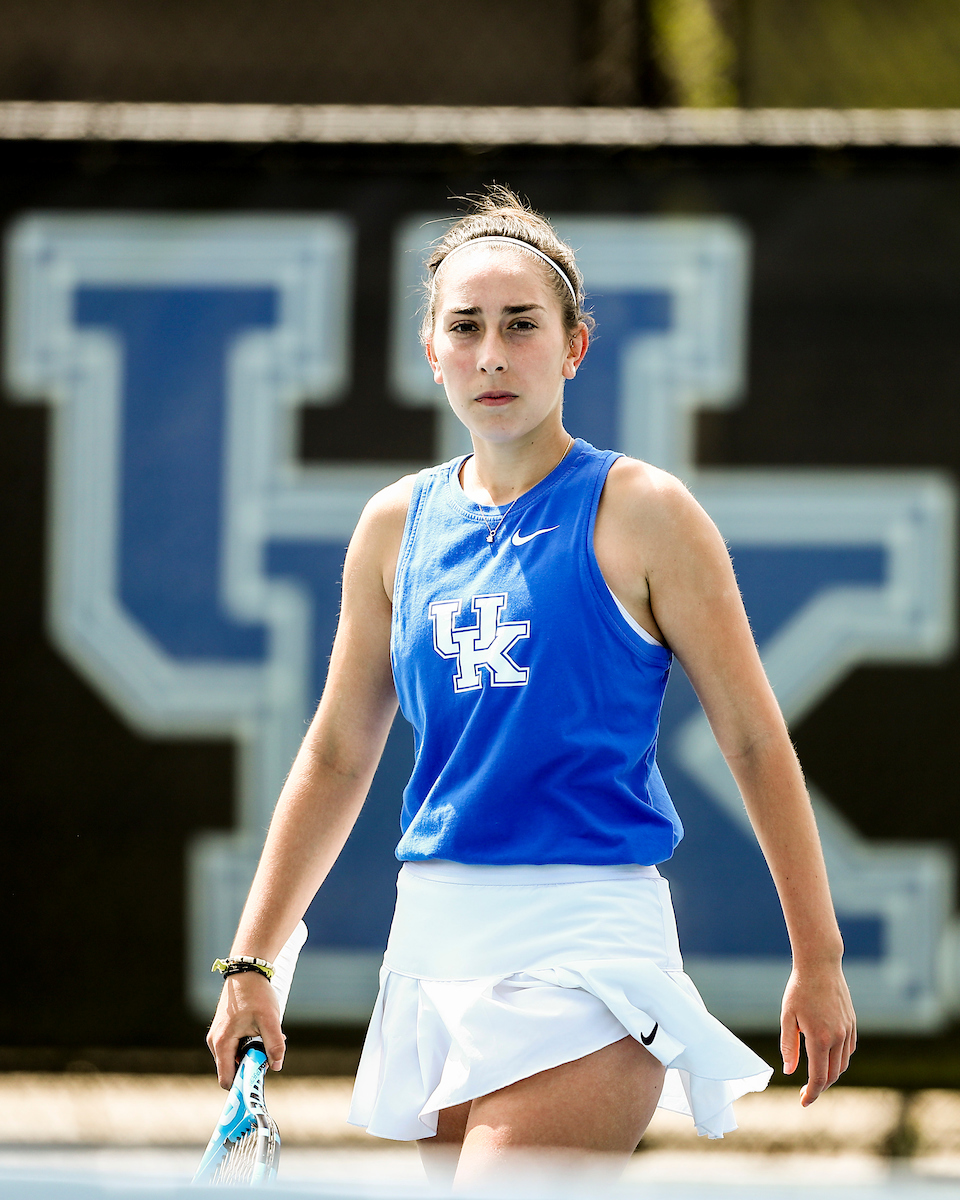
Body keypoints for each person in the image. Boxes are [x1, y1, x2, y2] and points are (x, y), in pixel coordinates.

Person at [207, 186, 856, 1190]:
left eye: (522, 326)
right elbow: (338, 752)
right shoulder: (393, 527)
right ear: (432, 350)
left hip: (588, 940)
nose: (493, 355)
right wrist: (252, 962)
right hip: (431, 942)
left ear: (575, 346)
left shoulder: (646, 513)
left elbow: (756, 742)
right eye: (465, 329)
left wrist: (818, 958)